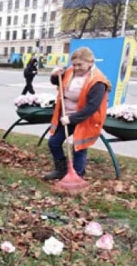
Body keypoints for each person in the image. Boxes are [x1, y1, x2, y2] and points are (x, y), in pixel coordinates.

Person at [44, 47, 110, 180]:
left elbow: (92, 107)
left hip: (85, 118)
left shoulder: (97, 81)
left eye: (80, 64)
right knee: (54, 143)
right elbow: (58, 82)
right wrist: (55, 76)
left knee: (79, 147)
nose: (76, 67)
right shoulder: (70, 71)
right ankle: (61, 169)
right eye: (74, 64)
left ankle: (77, 174)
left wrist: (72, 119)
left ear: (90, 62)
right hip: (65, 116)